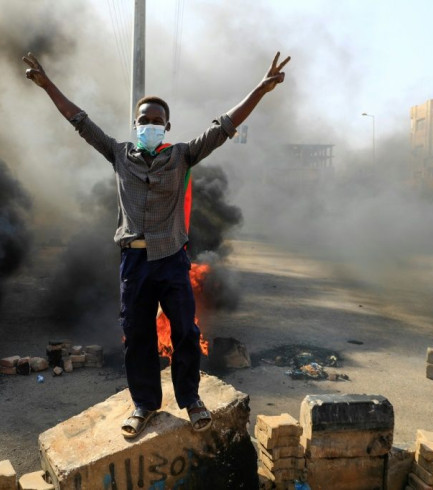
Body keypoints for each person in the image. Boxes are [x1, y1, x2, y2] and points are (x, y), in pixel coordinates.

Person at [23, 50, 290, 438]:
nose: (150, 126)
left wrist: (259, 90)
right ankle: (144, 404)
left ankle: (191, 400)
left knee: (185, 332)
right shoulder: (119, 154)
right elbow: (80, 121)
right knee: (138, 336)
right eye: (144, 121)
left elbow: (225, 125)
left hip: (172, 260)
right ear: (136, 125)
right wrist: (49, 86)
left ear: (167, 126)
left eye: (157, 122)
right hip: (134, 263)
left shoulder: (182, 156)